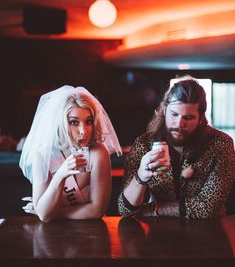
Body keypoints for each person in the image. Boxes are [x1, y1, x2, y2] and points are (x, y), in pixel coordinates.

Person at [118, 76, 235, 219]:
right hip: (158, 234)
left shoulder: (221, 143)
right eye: (174, 114)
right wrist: (141, 176)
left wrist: (154, 209)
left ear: (201, 119)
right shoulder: (144, 144)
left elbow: (209, 207)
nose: (179, 123)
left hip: (208, 232)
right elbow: (124, 209)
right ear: (165, 110)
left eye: (188, 118)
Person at [20, 85, 122, 222]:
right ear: (61, 123)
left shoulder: (98, 153)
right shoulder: (43, 156)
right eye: (74, 122)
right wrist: (61, 175)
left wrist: (55, 212)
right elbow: (44, 215)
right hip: (51, 236)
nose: (83, 131)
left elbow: (97, 210)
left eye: (88, 121)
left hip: (92, 234)